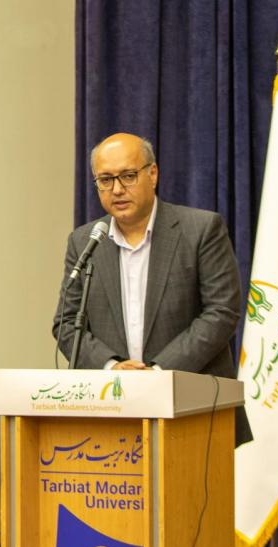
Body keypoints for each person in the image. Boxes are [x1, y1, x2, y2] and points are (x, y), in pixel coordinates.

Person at [53, 133, 250, 441]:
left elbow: (221, 312)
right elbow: (67, 324)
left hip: (192, 410)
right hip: (110, 412)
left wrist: (157, 373)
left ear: (153, 174)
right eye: (105, 180)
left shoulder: (201, 229)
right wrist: (113, 368)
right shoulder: (85, 241)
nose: (117, 189)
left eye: (128, 176)